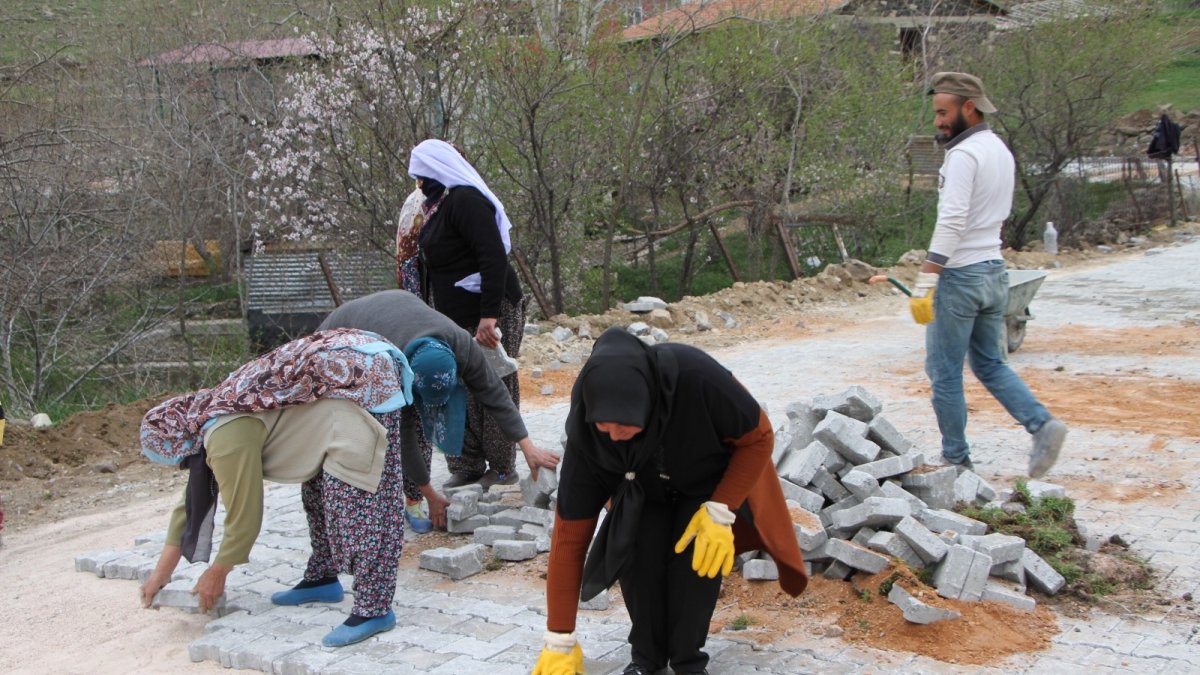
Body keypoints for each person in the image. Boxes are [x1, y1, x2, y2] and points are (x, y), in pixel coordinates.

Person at [533, 328, 807, 675]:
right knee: (637, 556)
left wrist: (721, 508)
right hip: (640, 490)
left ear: (645, 403)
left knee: (694, 563)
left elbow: (759, 436)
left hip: (706, 487)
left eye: (626, 424)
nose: (615, 436)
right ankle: (646, 660)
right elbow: (569, 539)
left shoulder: (697, 377)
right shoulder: (588, 441)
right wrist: (559, 637)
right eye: (605, 424)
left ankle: (688, 661)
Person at [138, 328, 434, 648]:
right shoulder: (210, 410)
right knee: (317, 491)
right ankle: (322, 578)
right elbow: (191, 505)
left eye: (178, 461)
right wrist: (160, 574)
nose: (185, 466)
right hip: (352, 364)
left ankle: (374, 609)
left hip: (363, 377)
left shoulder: (223, 435)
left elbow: (245, 514)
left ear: (177, 444)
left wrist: (218, 573)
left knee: (357, 502)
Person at [910, 72, 1068, 477]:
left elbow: (952, 221)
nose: (937, 122)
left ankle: (957, 460)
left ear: (969, 107)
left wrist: (927, 277)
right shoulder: (998, 149)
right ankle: (1042, 424)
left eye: (943, 113)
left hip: (960, 276)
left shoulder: (962, 156)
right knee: (990, 364)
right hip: (994, 271)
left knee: (943, 372)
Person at [318, 289, 561, 532]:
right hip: (340, 338)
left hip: (397, 311)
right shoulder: (388, 369)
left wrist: (528, 447)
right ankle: (371, 507)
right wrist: (430, 493)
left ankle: (407, 493)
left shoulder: (461, 345)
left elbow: (494, 393)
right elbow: (404, 436)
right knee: (368, 431)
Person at [408, 138, 529, 490]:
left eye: (420, 174)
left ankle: (503, 466)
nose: (418, 182)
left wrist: (489, 316)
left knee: (493, 380)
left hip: (487, 310)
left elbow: (493, 256)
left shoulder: (466, 200)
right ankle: (467, 463)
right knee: (456, 384)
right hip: (452, 315)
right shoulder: (436, 208)